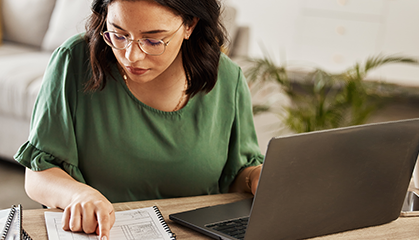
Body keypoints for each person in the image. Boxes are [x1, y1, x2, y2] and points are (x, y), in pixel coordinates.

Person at [14, 0, 264, 239]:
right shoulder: (74, 61)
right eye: (118, 34)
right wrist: (79, 196)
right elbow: (38, 173)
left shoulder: (228, 80)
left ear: (190, 25)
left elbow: (238, 177)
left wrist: (257, 178)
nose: (131, 56)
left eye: (153, 40)